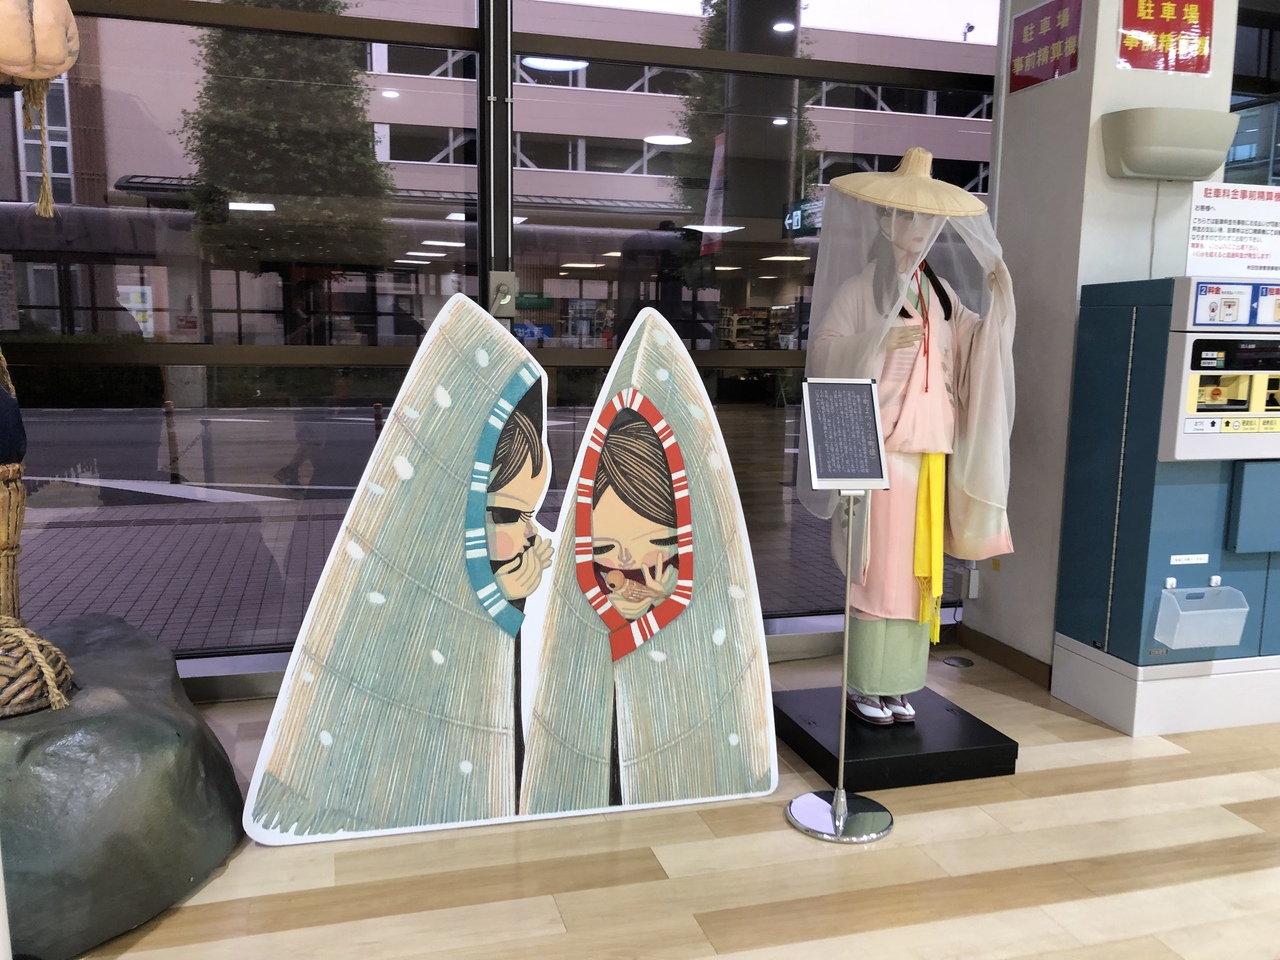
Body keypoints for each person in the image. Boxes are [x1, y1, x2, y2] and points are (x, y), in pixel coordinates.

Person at [800, 148, 1015, 728]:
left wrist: (999, 306)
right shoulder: (861, 290)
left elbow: (972, 347)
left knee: (921, 571)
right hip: (880, 451)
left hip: (930, 449)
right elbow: (825, 356)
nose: (918, 229)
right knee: (878, 570)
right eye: (907, 217)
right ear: (885, 220)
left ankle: (899, 682)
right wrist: (873, 343)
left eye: (926, 219)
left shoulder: (939, 294)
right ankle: (865, 683)